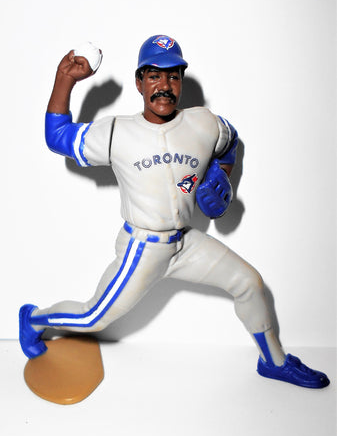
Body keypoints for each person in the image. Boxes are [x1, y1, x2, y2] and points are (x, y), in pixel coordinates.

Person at [19, 34, 329, 389]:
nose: (164, 85)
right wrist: (65, 80)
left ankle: (274, 361)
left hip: (186, 244)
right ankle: (33, 320)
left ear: (181, 80)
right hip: (143, 248)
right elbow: (56, 136)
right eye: (153, 75)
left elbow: (229, 142)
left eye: (173, 76)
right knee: (94, 316)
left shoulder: (205, 122)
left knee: (250, 283)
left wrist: (223, 178)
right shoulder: (116, 131)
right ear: (139, 83)